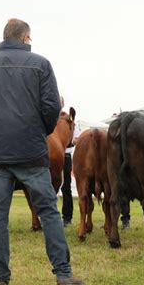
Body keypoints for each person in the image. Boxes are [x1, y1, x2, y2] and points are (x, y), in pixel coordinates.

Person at [0, 18, 83, 285]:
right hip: (32, 154)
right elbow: (52, 107)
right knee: (49, 211)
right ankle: (63, 273)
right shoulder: (41, 64)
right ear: (25, 38)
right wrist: (41, 131)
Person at [60, 97, 81, 228]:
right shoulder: (49, 118)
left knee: (66, 187)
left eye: (59, 102)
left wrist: (71, 140)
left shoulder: (70, 120)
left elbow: (76, 138)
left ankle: (67, 217)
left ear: (62, 103)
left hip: (65, 155)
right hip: (49, 156)